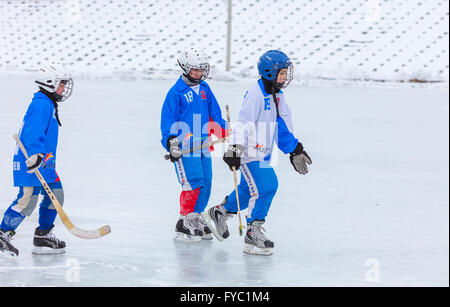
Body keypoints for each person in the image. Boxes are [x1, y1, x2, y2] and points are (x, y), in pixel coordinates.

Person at [202, 50, 312, 255]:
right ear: (269, 72)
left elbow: (281, 126)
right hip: (248, 153)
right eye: (282, 73)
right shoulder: (255, 94)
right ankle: (253, 232)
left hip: (263, 154)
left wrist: (294, 149)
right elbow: (244, 123)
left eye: (287, 72)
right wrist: (234, 148)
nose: (285, 77)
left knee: (246, 192)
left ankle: (219, 213)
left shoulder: (278, 95)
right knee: (267, 186)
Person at [0, 63, 73, 257]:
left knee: (56, 195)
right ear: (49, 83)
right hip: (31, 160)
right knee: (27, 200)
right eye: (61, 84)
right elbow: (32, 133)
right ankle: (3, 234)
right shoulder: (41, 104)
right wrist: (35, 155)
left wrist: (42, 157)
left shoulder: (48, 103)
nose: (63, 88)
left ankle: (43, 235)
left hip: (45, 162)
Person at [161, 47, 228, 242]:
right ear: (184, 68)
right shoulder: (176, 92)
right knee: (193, 182)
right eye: (194, 70)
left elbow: (214, 114)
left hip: (204, 145)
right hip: (185, 147)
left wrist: (224, 130)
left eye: (201, 69)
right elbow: (168, 120)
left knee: (206, 181)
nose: (199, 74)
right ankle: (184, 221)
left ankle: (195, 217)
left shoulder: (205, 88)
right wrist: (171, 141)